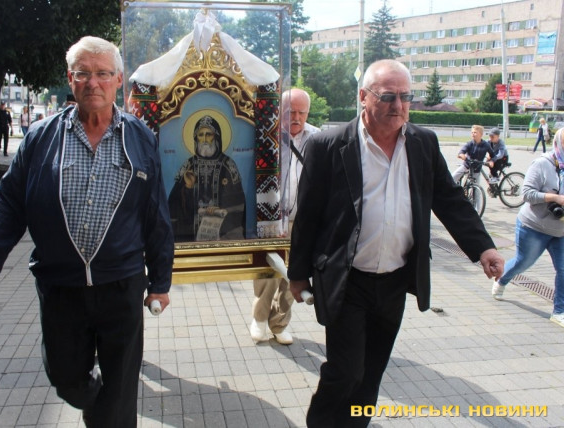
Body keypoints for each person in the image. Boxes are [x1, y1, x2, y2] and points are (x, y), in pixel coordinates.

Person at [0, 36, 174, 427]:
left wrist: (160, 282)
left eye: (103, 73)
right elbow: (8, 205)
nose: (93, 82)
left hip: (121, 284)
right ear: (70, 78)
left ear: (118, 80)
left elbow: (156, 215)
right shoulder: (41, 137)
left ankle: (109, 412)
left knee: (120, 394)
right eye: (83, 73)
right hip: (60, 285)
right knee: (66, 378)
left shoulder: (140, 138)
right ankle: (94, 401)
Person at [287, 59, 504, 427]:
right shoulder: (328, 145)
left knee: (371, 373)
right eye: (388, 96)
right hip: (346, 278)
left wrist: (484, 247)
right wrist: (298, 274)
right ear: (363, 97)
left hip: (395, 280)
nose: (399, 105)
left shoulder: (423, 143)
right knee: (345, 370)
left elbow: (449, 199)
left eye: (406, 97)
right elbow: (308, 214)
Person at [250, 88, 319, 345]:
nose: (297, 118)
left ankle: (280, 323)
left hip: (302, 220)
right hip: (269, 219)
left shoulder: (318, 139)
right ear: (280, 111)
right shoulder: (266, 136)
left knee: (295, 272)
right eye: (291, 112)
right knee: (267, 272)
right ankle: (259, 319)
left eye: (302, 112)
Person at [492, 128, 564, 328]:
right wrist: (554, 198)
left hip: (560, 230)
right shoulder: (542, 164)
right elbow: (526, 194)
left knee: (563, 269)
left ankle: (559, 311)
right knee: (523, 262)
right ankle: (502, 280)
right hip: (534, 226)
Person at [168, 114, 246, 241]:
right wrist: (188, 187)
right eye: (200, 135)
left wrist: (221, 210)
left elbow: (238, 204)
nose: (204, 139)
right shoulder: (188, 165)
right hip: (190, 237)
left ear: (216, 137)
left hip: (222, 236)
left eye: (209, 134)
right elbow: (174, 206)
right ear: (196, 138)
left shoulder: (228, 165)